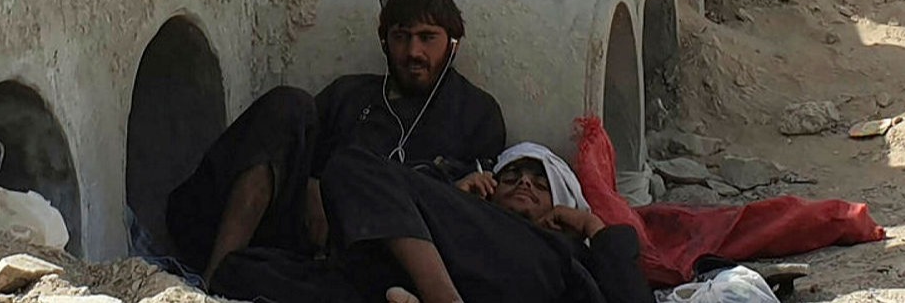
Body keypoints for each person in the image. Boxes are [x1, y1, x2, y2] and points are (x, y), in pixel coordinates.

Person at [163, 0, 508, 286]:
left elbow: (479, 206)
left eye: (427, 37)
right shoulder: (349, 94)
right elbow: (299, 149)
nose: (413, 52)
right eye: (401, 37)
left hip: (383, 257)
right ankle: (217, 276)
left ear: (453, 44)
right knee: (288, 104)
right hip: (304, 232)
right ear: (385, 41)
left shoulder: (476, 113)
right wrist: (314, 184)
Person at [213, 142, 655, 303]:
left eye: (541, 184)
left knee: (353, 163)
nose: (524, 183)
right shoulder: (466, 210)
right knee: (243, 272)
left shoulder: (561, 252)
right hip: (417, 278)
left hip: (518, 280)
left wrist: (593, 227)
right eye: (512, 176)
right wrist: (451, 201)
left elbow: (632, 298)